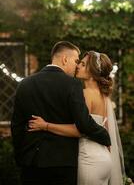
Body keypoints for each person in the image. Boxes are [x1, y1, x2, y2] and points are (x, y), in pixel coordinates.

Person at [11, 41, 111, 185]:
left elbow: (16, 126)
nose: (77, 66)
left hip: (30, 162)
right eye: (76, 61)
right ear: (65, 59)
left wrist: (21, 157)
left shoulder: (25, 84)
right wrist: (104, 135)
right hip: (62, 163)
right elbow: (83, 123)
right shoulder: (72, 84)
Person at [28, 51, 125, 185]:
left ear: (92, 72)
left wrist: (45, 125)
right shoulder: (104, 96)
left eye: (83, 64)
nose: (78, 66)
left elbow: (79, 130)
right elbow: (104, 128)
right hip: (105, 159)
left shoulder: (85, 94)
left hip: (89, 159)